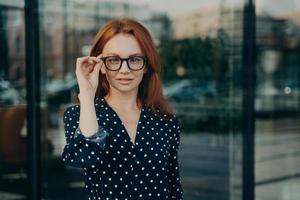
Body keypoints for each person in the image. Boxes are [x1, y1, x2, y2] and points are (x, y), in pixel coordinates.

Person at [61, 18, 184, 200]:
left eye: (134, 59)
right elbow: (86, 158)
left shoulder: (166, 121)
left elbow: (173, 187)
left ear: (146, 65)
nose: (124, 70)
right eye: (113, 60)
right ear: (100, 65)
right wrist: (86, 94)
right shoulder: (80, 115)